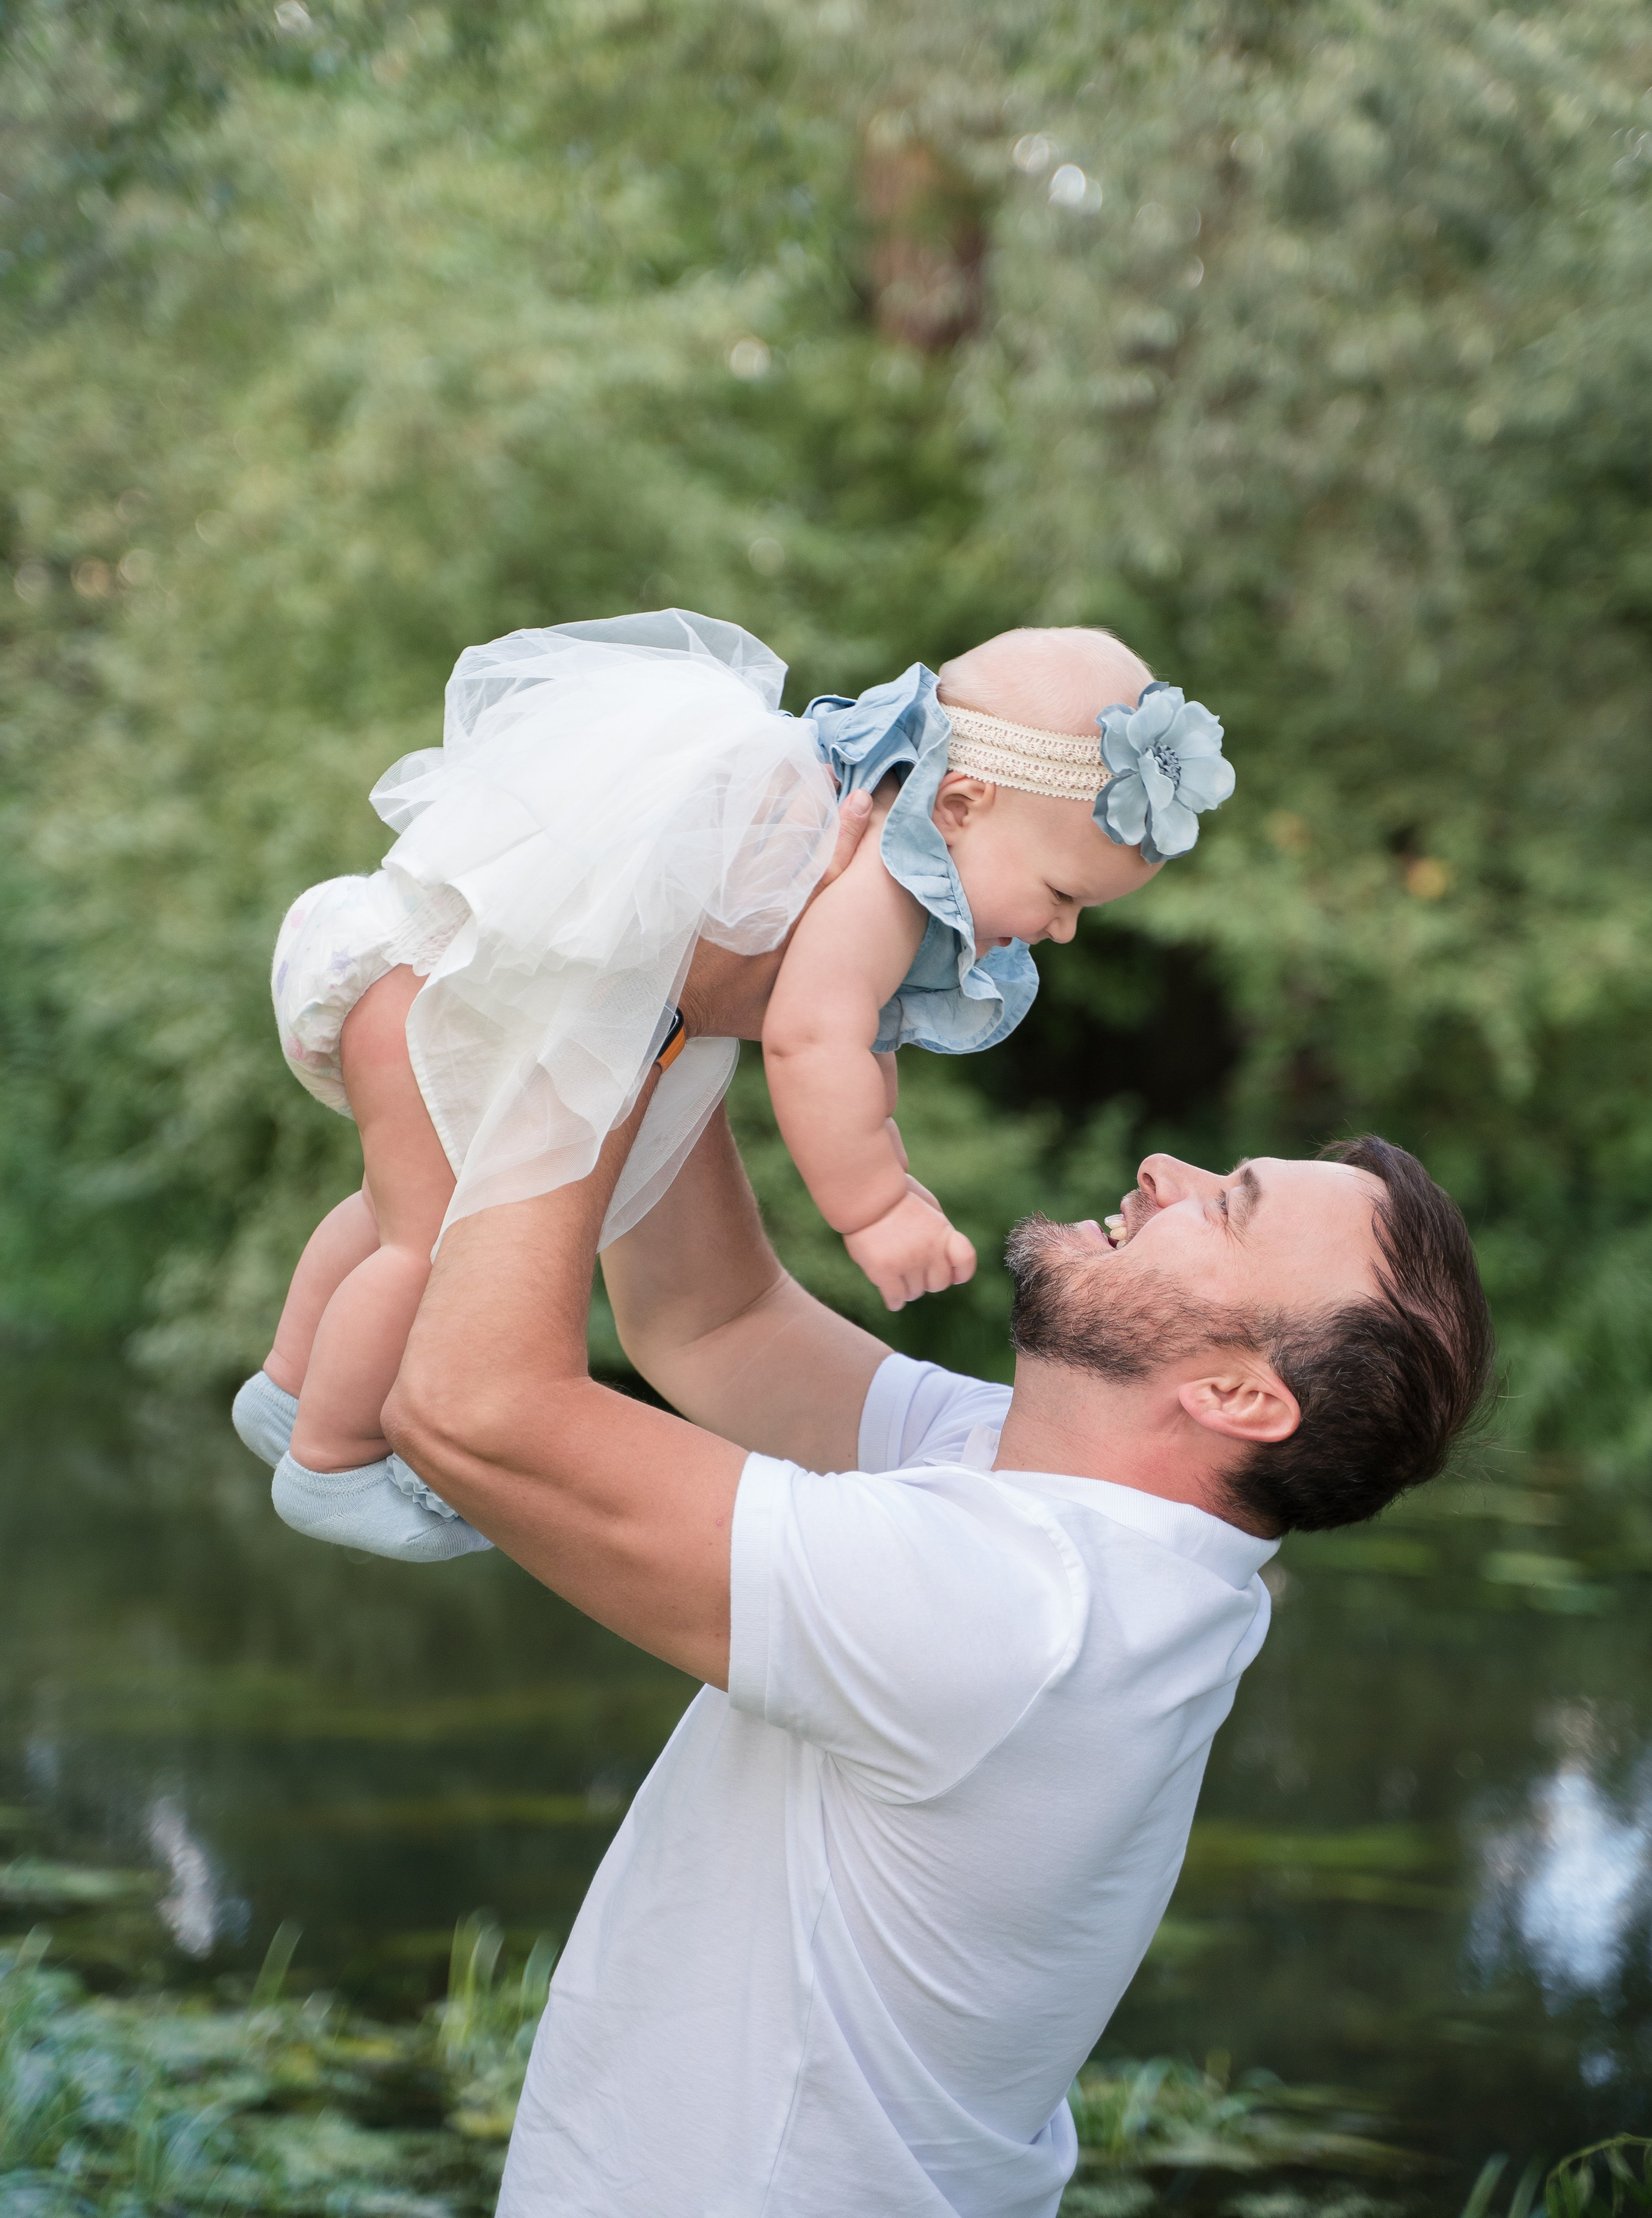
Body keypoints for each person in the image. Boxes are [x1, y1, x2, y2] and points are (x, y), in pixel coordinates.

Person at [378, 947, 1495, 2218]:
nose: (1162, 1170)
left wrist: (590, 990)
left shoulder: (1024, 1617)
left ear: (1238, 1396)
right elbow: (712, 1322)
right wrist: (676, 968)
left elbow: (469, 1409)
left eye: (1226, 1208)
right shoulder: (1085, 1515)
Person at [230, 609, 1234, 1562]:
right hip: (434, 985)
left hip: (412, 966)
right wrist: (874, 1207)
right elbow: (812, 1036)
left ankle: (287, 1387)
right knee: (427, 1240)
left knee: (398, 1207)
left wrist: (887, 1153)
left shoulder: (877, 833)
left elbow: (862, 1032)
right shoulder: (886, 878)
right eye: (1062, 895)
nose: (1063, 930)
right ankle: (332, 1460)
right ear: (962, 804)